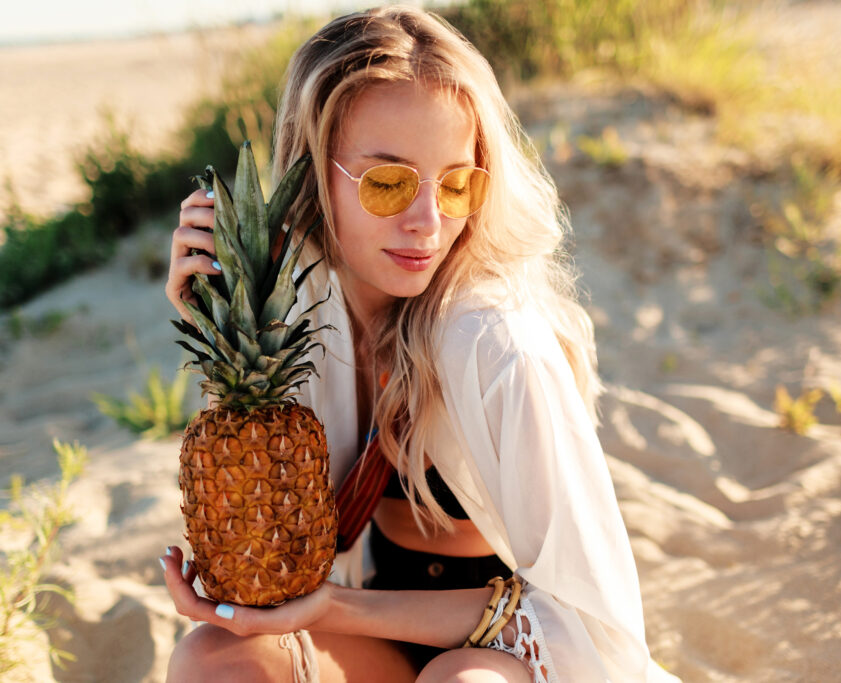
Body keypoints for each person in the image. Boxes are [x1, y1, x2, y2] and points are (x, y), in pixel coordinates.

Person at [162, 6, 679, 682]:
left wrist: (334, 607)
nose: (429, 224)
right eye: (388, 183)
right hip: (376, 628)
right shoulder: (306, 307)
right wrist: (211, 323)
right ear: (317, 173)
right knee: (213, 660)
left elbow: (587, 622)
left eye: (458, 182)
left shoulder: (500, 346)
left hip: (517, 648)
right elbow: (275, 529)